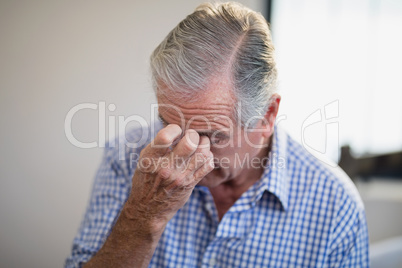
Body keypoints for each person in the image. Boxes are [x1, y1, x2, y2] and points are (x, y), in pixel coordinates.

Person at [65, 2, 369, 267]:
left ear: (267, 116)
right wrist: (143, 215)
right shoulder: (127, 157)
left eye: (212, 136)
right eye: (170, 125)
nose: (186, 150)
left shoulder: (335, 205)